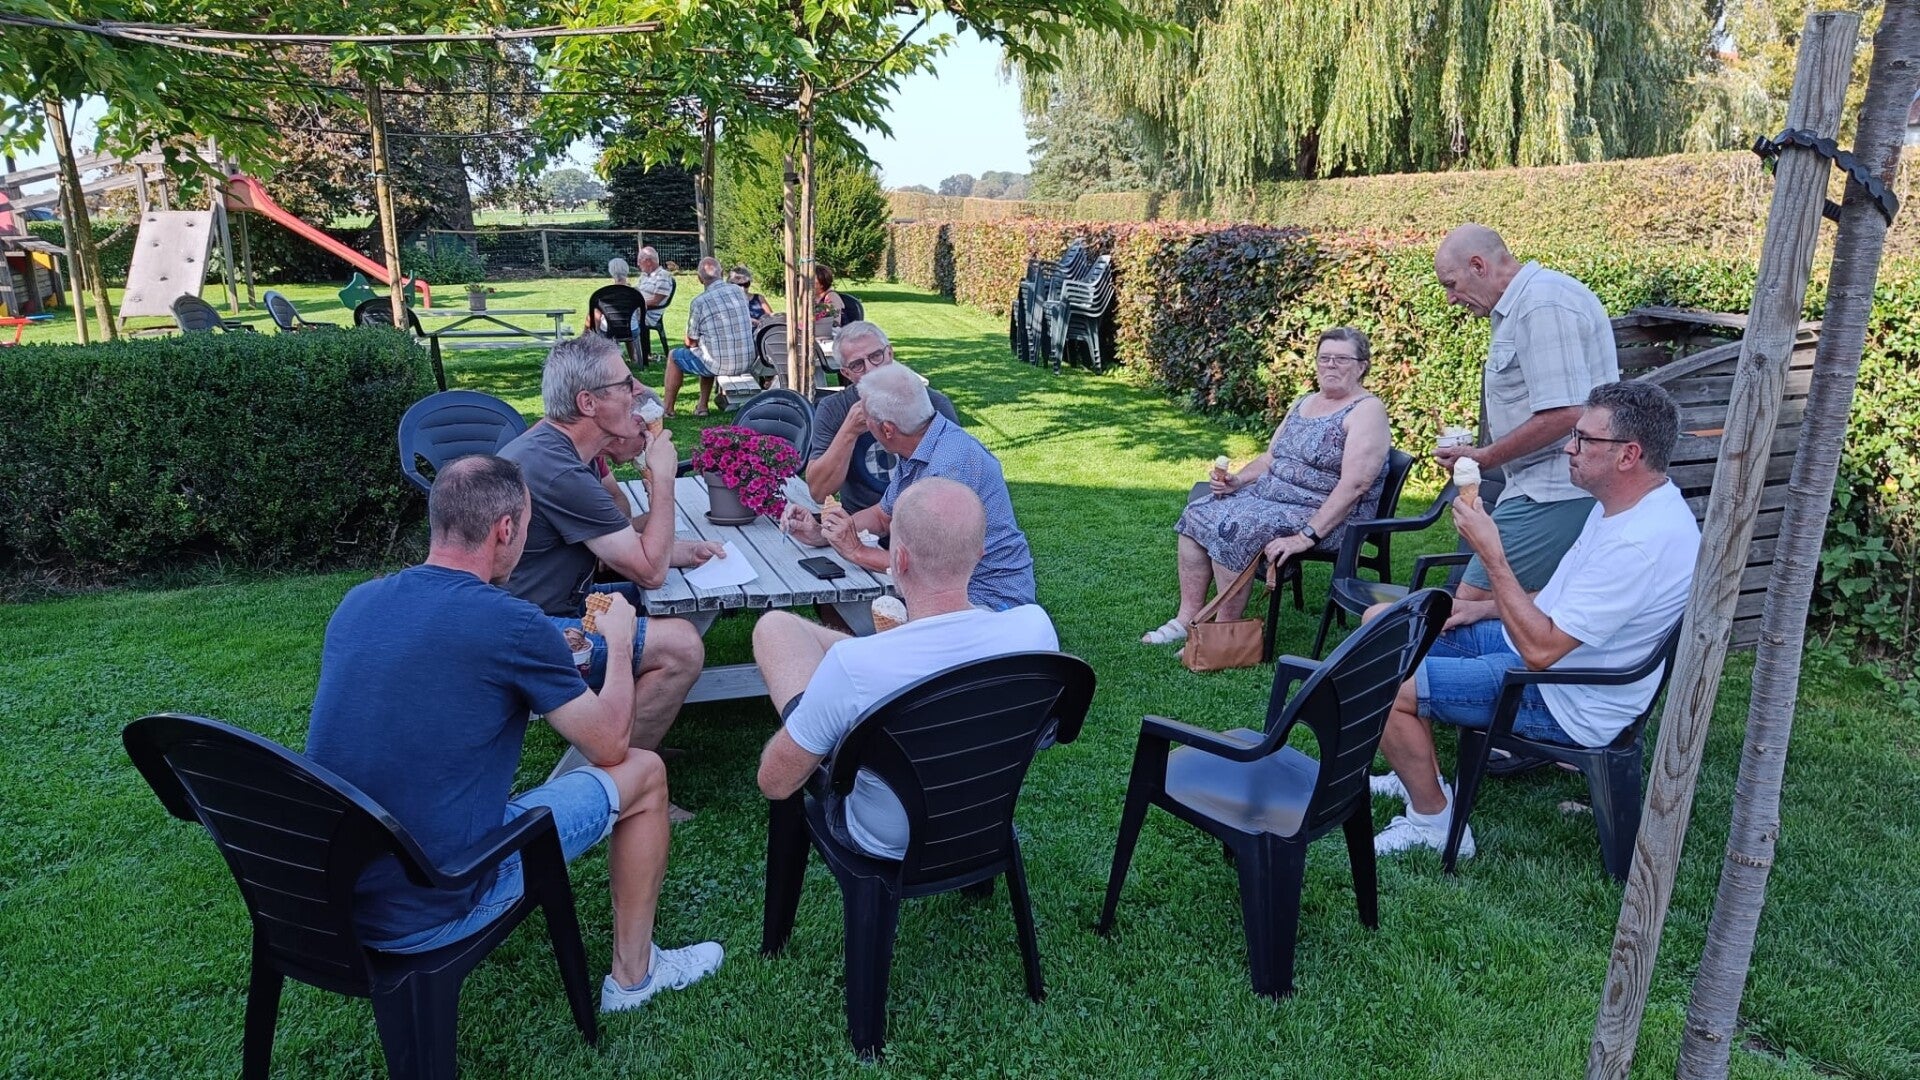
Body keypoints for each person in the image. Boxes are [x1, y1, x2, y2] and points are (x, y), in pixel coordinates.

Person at [305, 455, 723, 1012]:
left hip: (331, 898)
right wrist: (620, 642)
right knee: (643, 773)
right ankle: (633, 977)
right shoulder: (514, 623)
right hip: (437, 900)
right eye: (527, 526)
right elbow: (609, 746)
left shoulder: (358, 602)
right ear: (505, 529)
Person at [1369, 381, 1699, 858]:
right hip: (1550, 658)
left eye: (1584, 439)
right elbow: (1567, 597)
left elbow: (1541, 651)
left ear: (1628, 455)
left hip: (1564, 695)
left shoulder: (1639, 543)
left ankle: (1435, 823)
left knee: (1381, 681)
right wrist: (1478, 608)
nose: (1569, 447)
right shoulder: (1627, 507)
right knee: (1382, 622)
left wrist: (1492, 553)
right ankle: (1419, 775)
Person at [753, 478, 1058, 857]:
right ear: (980, 555)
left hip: (889, 839)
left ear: (898, 560)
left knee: (777, 635)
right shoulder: (1034, 629)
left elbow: (776, 783)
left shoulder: (854, 666)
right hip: (984, 820)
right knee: (777, 626)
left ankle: (812, 727)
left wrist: (810, 725)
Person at [498, 335, 717, 758]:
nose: (639, 392)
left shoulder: (556, 449)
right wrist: (663, 478)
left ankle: (630, 739)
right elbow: (650, 570)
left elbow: (621, 543)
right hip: (525, 632)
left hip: (544, 605)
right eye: (626, 384)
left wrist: (687, 552)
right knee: (682, 646)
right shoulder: (559, 471)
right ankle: (619, 774)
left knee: (666, 603)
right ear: (588, 402)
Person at [1140, 327, 1392, 645]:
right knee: (1197, 512)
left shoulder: (1367, 411)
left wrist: (1305, 536)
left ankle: (1225, 634)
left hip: (1327, 516)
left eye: (1341, 359)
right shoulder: (1304, 403)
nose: (1330, 365)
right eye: (1324, 358)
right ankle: (1186, 618)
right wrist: (1237, 480)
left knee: (1235, 528)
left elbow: (1355, 485)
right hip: (1273, 498)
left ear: (1362, 366)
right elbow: (1271, 457)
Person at [1432, 223, 1620, 601]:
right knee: (1523, 609)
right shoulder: (1523, 305)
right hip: (1540, 489)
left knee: (1464, 608)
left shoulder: (1541, 304)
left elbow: (1567, 412)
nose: (1450, 299)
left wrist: (1485, 457)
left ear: (1478, 266)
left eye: (1451, 284)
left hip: (1554, 492)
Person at [782, 362, 1037, 611]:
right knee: (847, 609)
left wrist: (857, 551)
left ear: (887, 430)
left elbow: (928, 567)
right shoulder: (923, 441)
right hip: (955, 590)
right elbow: (882, 517)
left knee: (852, 613)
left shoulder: (946, 471)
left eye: (865, 417)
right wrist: (822, 533)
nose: (863, 423)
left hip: (989, 602)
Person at [805, 321, 960, 515]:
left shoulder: (933, 404)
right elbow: (819, 492)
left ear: (890, 354)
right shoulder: (834, 408)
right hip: (859, 522)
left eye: (876, 356)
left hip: (922, 517)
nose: (870, 368)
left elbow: (957, 478)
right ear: (846, 373)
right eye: (857, 365)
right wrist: (849, 431)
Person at [665, 256, 756, 417]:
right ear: (722, 273)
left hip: (719, 363)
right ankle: (702, 406)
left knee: (675, 356)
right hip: (747, 360)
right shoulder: (738, 291)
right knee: (706, 350)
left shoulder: (699, 302)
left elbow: (690, 341)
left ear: (699, 279)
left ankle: (668, 409)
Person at [628, 246, 676, 345]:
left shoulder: (663, 276)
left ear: (648, 261)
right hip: (637, 310)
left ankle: (632, 351)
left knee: (614, 315)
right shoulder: (645, 276)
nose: (638, 264)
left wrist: (635, 305)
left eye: (639, 260)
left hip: (647, 314)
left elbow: (656, 301)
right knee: (607, 311)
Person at [811, 263, 843, 340]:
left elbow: (834, 324)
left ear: (821, 284)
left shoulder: (832, 297)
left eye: (812, 281)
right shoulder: (813, 296)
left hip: (830, 337)